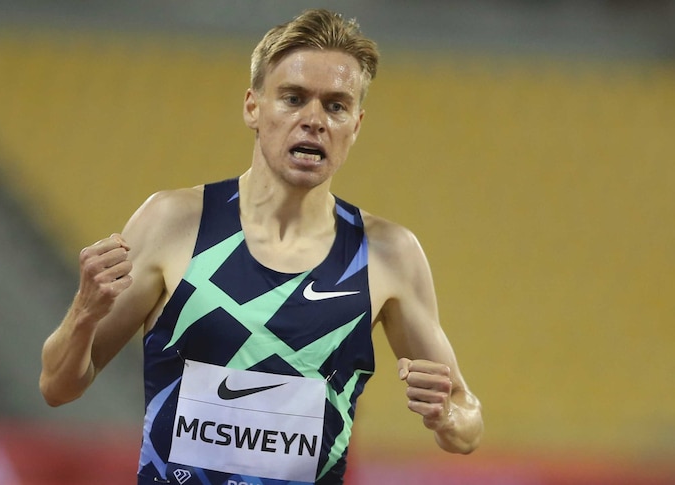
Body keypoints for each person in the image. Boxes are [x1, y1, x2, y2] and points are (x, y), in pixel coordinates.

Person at [39, 8, 483, 485]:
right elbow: (59, 386)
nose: (314, 120)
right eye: (293, 99)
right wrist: (85, 310)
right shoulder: (173, 222)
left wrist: (445, 415)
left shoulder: (388, 253)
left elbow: (467, 425)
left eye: (336, 106)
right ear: (253, 106)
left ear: (355, 124)